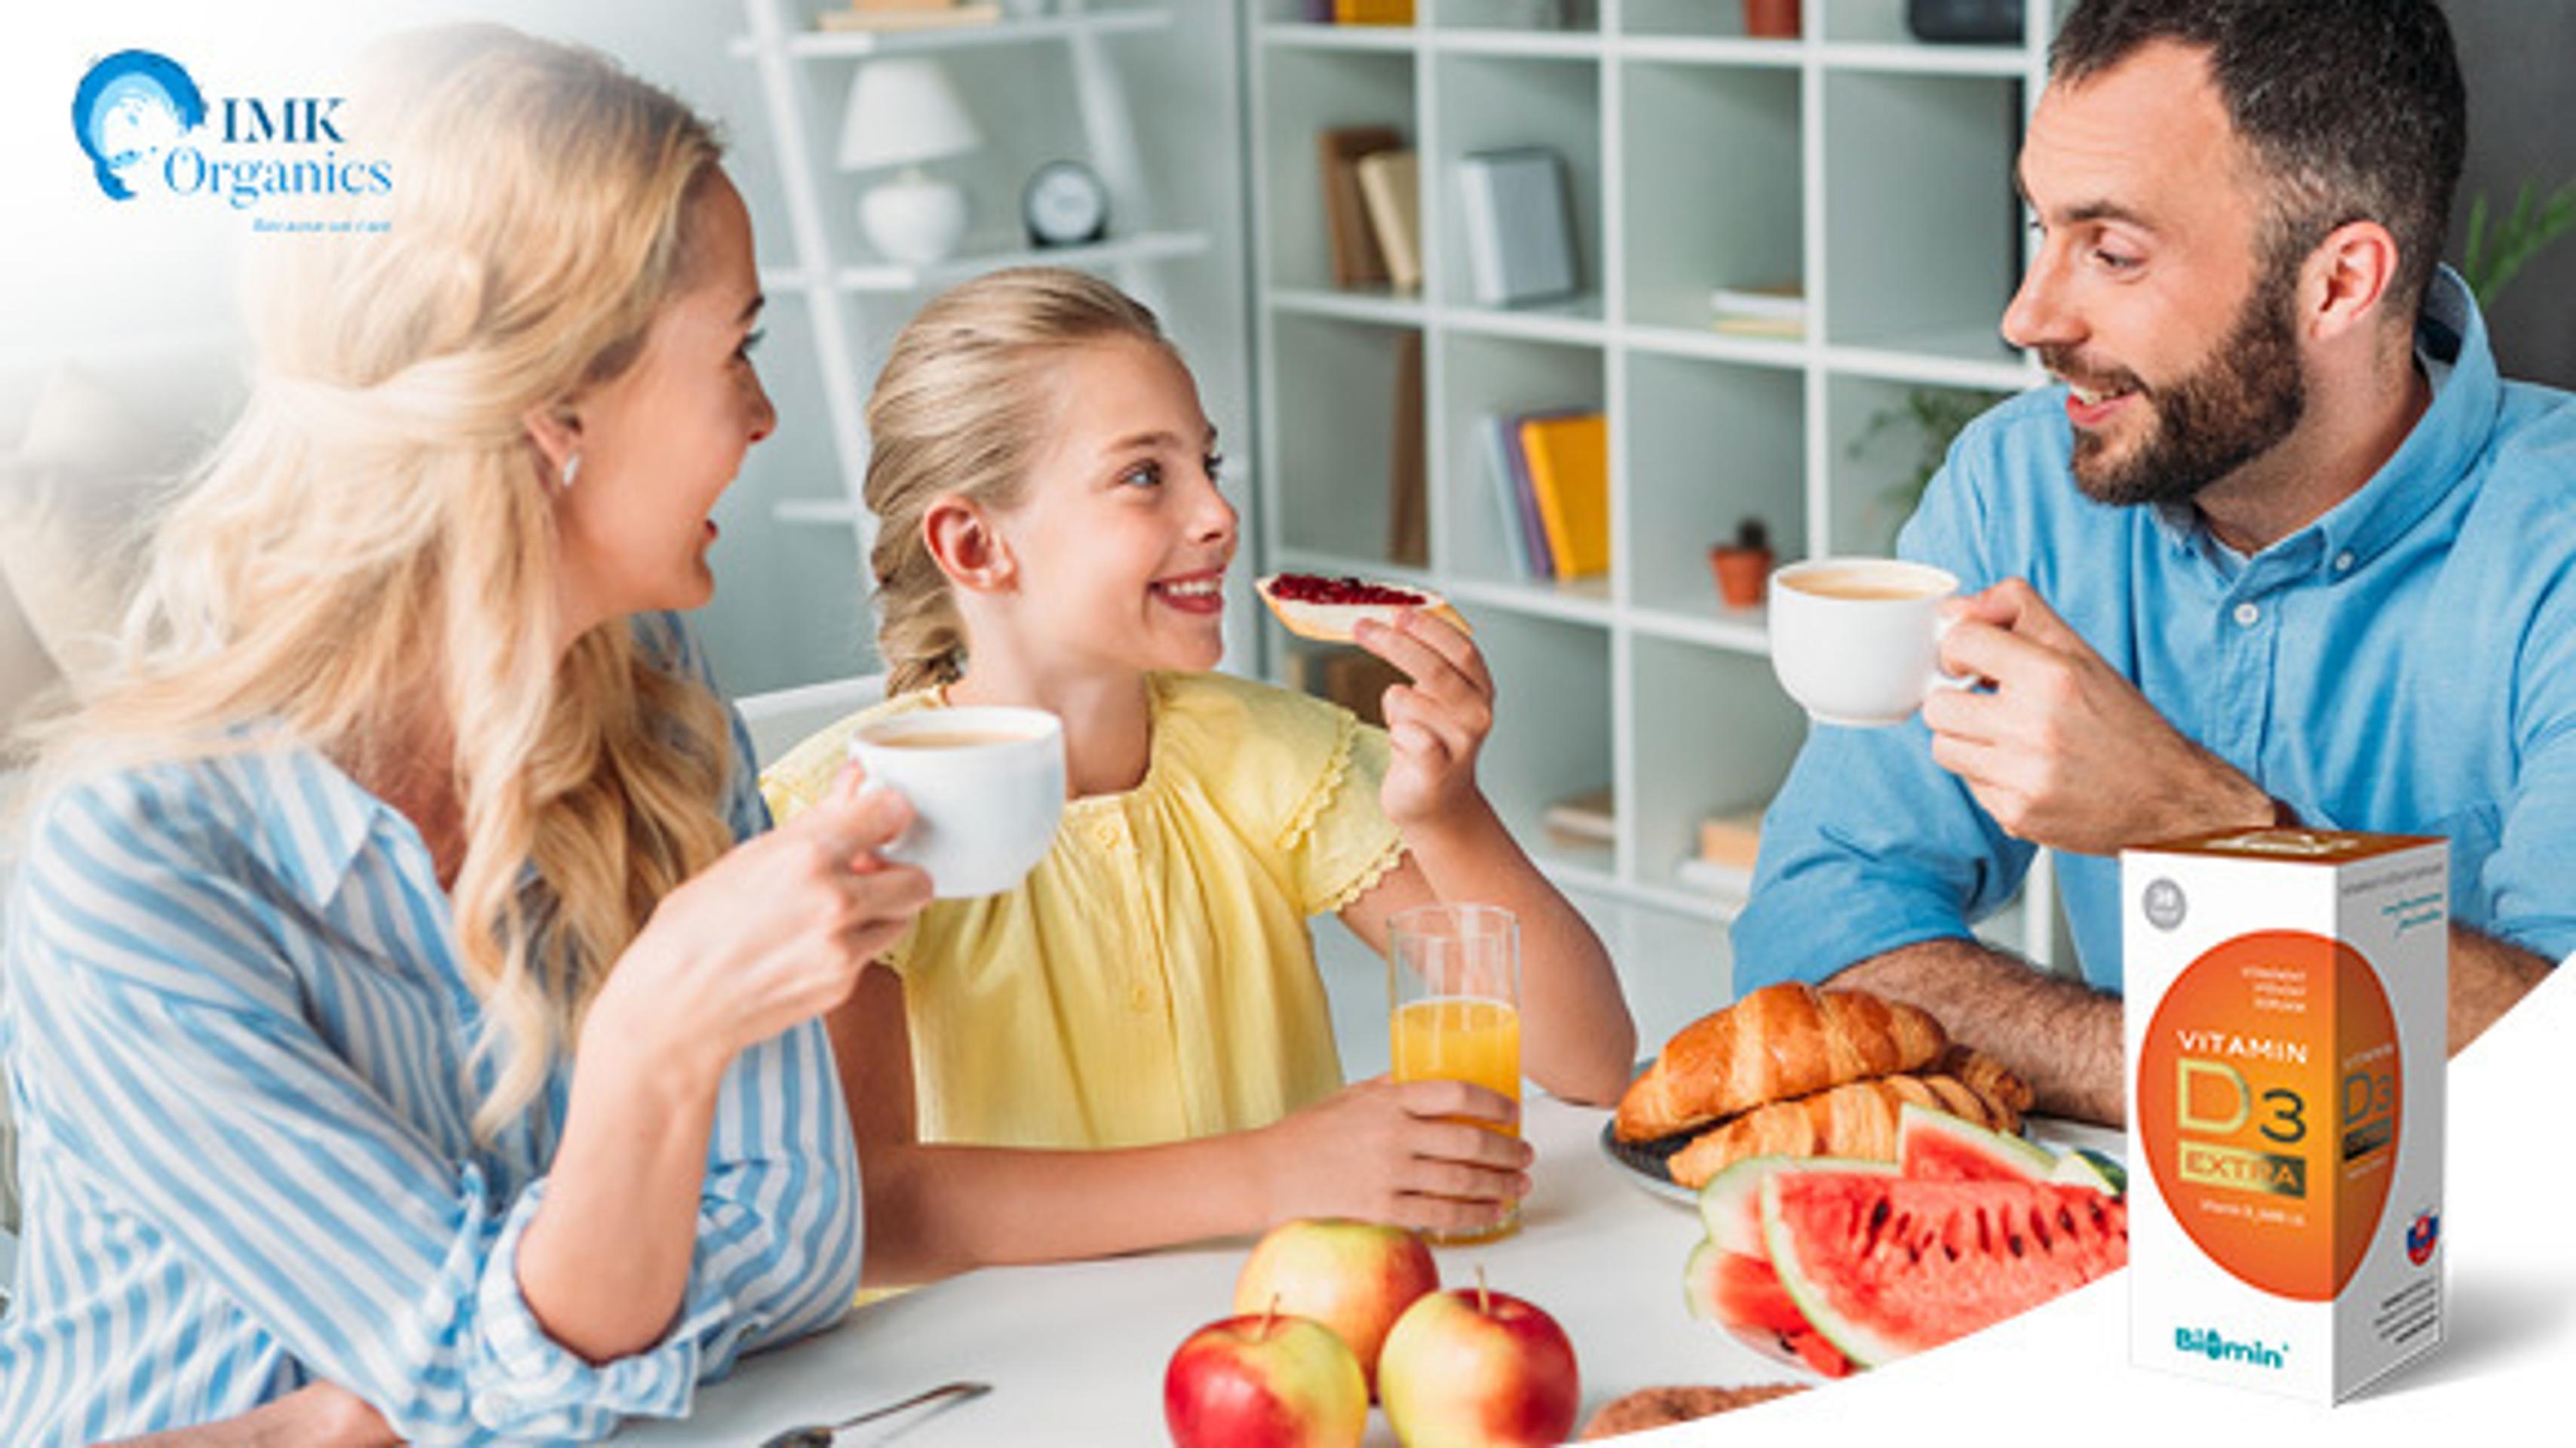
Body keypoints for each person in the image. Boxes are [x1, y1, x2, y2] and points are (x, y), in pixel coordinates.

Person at [0, 26, 930, 1444]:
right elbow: (473, 1384)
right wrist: (654, 1041)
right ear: (553, 406)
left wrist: (392, 1400)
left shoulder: (657, 701)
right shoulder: (131, 869)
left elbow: (799, 1244)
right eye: (735, 349)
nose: (763, 414)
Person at [1732, 0, 2574, 1127]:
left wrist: (2197, 823)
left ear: (2339, 283)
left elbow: (2555, 1085)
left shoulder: (2554, 543)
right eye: (2041, 229)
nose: (2027, 315)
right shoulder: (2020, 485)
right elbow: (1811, 935)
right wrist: (2179, 1069)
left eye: (2113, 252)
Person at [761, 268, 1638, 1281]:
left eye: (1207, 464)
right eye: (1146, 476)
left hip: (1281, 1325)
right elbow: (868, 1214)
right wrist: (1270, 1172)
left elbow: (1589, 1061)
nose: (1219, 513)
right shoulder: (845, 821)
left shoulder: (1277, 759)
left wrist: (1451, 817)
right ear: (975, 544)